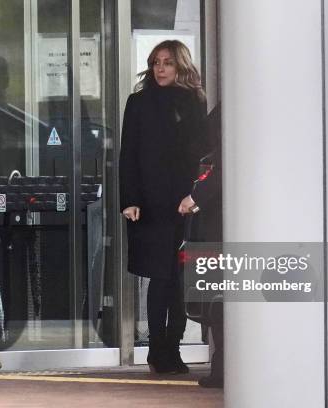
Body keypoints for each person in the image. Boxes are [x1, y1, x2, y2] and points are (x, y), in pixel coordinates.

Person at [120, 40, 209, 374]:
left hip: (186, 202)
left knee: (181, 279)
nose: (160, 68)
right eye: (156, 62)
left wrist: (198, 196)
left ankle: (174, 346)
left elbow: (203, 154)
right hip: (150, 203)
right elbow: (128, 154)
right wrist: (129, 199)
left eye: (168, 63)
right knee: (160, 277)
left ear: (180, 67)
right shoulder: (139, 102)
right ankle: (157, 349)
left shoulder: (195, 102)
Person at [178, 105, 224, 388]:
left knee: (221, 299)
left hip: (222, 233)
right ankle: (224, 368)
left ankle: (223, 369)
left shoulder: (236, 112)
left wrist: (195, 197)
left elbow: (221, 170)